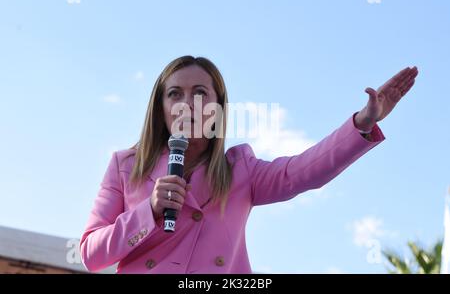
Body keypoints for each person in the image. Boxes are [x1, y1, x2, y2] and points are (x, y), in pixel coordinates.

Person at [79, 55, 419, 273]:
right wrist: (148, 212)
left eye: (200, 93)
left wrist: (361, 123)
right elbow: (92, 255)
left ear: (218, 109)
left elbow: (304, 171)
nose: (187, 104)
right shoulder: (125, 166)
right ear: (160, 107)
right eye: (175, 94)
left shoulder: (241, 170)